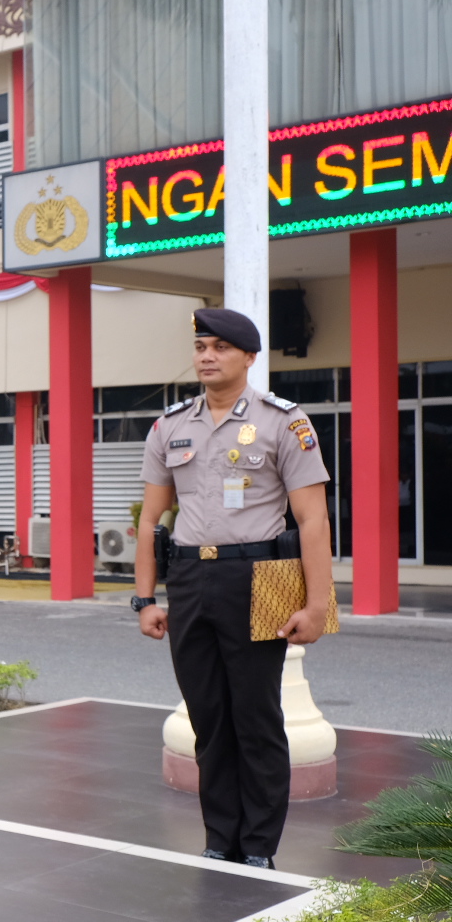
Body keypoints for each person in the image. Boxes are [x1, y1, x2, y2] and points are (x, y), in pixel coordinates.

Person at [134, 307, 332, 871]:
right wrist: (146, 598)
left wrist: (317, 604)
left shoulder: (283, 423)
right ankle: (220, 837)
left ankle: (260, 848)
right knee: (208, 717)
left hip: (259, 577)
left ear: (248, 357)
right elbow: (151, 519)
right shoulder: (169, 426)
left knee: (257, 717)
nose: (206, 356)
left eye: (220, 347)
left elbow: (313, 520)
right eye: (200, 346)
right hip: (192, 578)